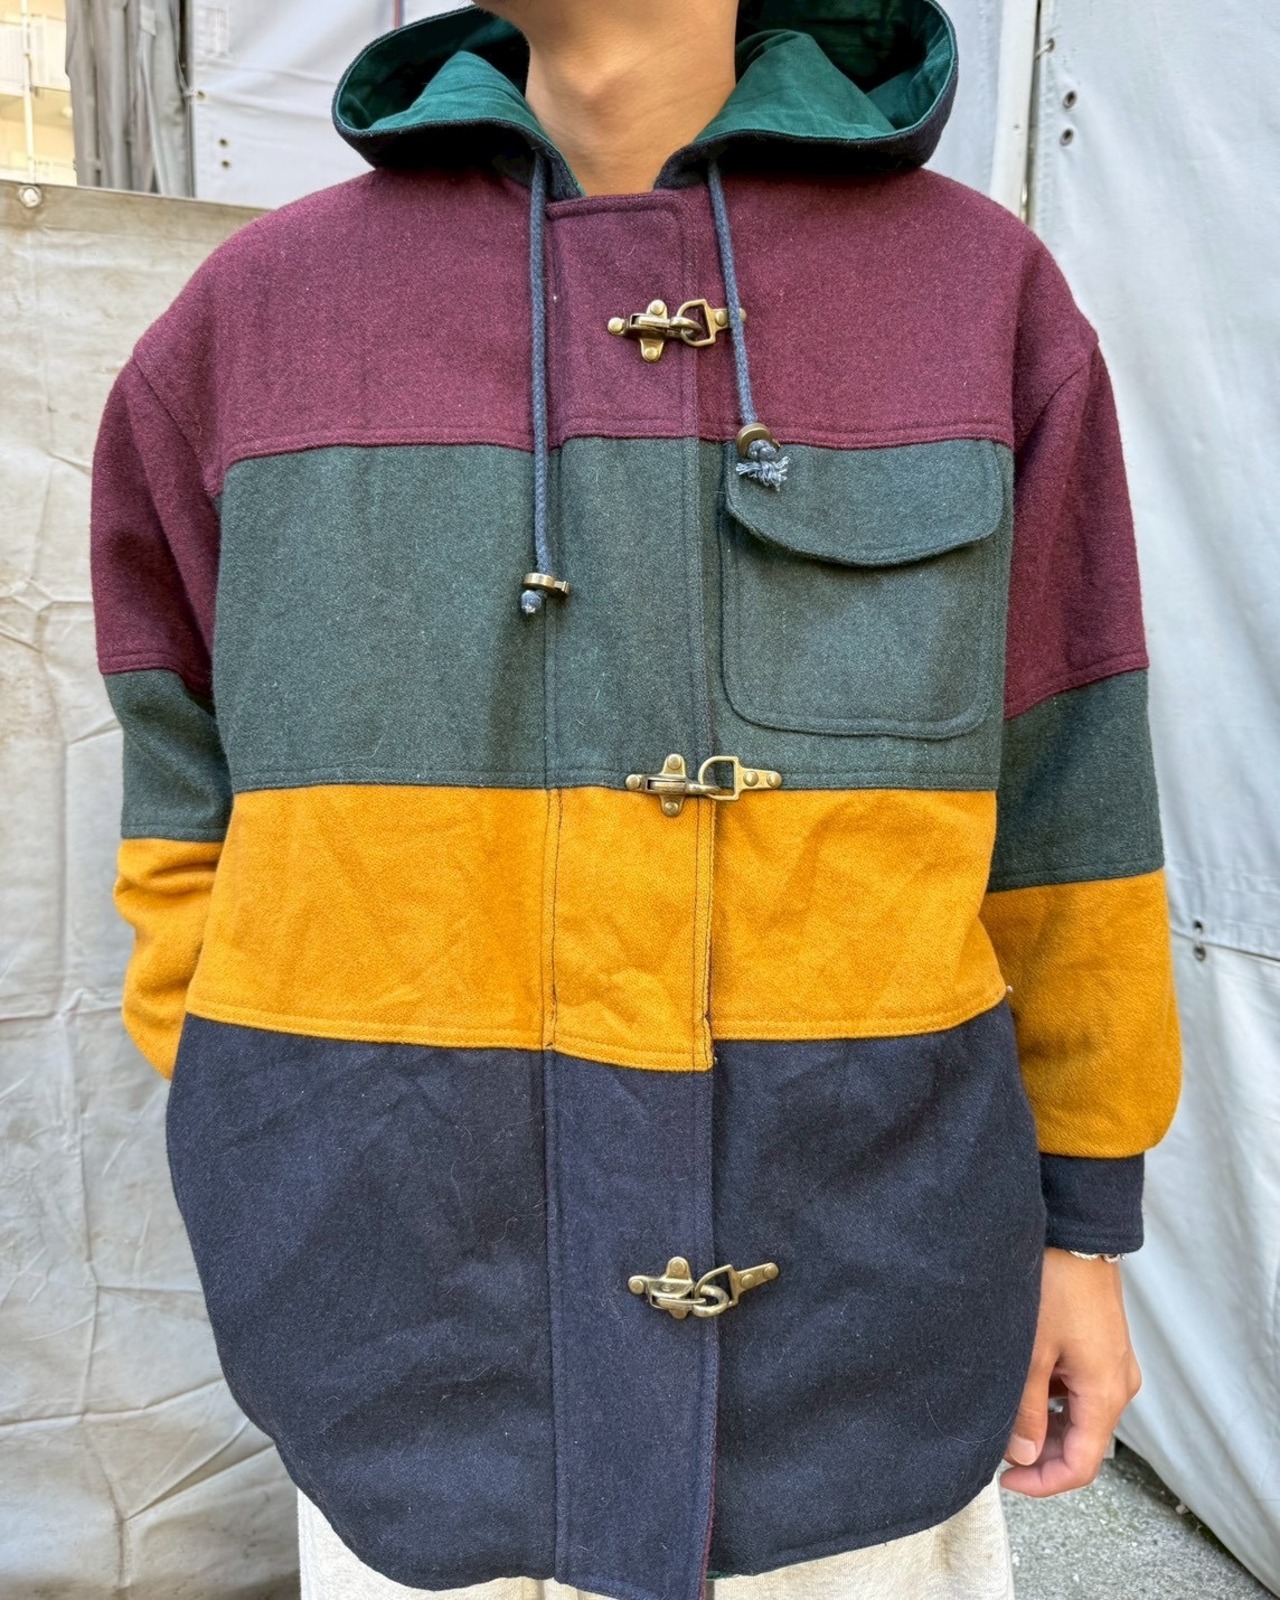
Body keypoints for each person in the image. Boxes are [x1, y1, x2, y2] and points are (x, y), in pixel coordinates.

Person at [88, 2, 1183, 1598]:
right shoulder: (261, 318)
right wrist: (267, 1105)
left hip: (862, 1300)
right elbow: (175, 784)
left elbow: (1073, 804)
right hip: (410, 1303)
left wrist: (1082, 1226)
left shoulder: (973, 294)